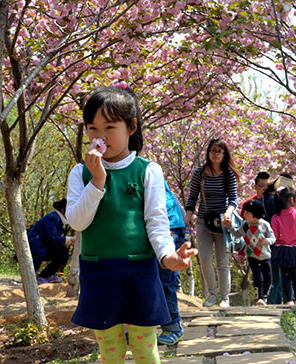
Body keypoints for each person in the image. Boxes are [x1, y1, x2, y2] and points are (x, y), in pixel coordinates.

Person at [65, 84, 197, 364]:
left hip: (139, 270)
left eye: (110, 127)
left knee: (145, 350)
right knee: (109, 351)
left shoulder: (147, 170)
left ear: (131, 127)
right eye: (92, 128)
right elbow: (77, 222)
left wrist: (167, 256)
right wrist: (97, 181)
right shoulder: (80, 173)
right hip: (98, 270)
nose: (100, 137)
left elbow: (156, 222)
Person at [185, 138, 239, 308]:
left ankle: (225, 298)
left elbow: (233, 199)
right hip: (203, 221)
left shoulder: (228, 174)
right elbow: (193, 196)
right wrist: (188, 214)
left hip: (223, 222)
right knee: (205, 259)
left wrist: (229, 214)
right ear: (208, 152)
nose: (215, 154)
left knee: (222, 262)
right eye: (213, 150)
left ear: (224, 154)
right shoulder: (199, 173)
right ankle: (212, 295)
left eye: (219, 151)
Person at [228, 199, 276, 305]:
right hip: (252, 255)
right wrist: (229, 226)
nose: (244, 214)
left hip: (265, 255)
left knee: (268, 277)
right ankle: (259, 297)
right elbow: (237, 234)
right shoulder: (245, 225)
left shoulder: (264, 225)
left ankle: (265, 296)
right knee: (257, 276)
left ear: (255, 214)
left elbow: (273, 238)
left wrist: (266, 241)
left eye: (247, 213)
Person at [157, 181, 186, 345]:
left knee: (164, 278)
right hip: (171, 224)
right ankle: (140, 329)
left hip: (168, 226)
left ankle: (173, 327)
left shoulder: (144, 169)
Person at [271, 187, 296, 306]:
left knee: (285, 276)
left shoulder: (275, 217)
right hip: (295, 249)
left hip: (282, 249)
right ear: (291, 200)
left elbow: (275, 235)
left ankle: (288, 300)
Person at [25, 198, 75, 284]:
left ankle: (47, 275)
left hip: (41, 245)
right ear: (63, 211)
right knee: (62, 253)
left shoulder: (56, 218)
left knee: (63, 252)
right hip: (37, 246)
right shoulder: (53, 218)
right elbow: (52, 237)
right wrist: (68, 239)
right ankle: (42, 276)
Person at [266, 173, 294, 305]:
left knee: (274, 277)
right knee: (286, 276)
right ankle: (288, 301)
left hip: (269, 241)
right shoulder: (283, 203)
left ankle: (273, 304)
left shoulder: (266, 199)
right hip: (283, 243)